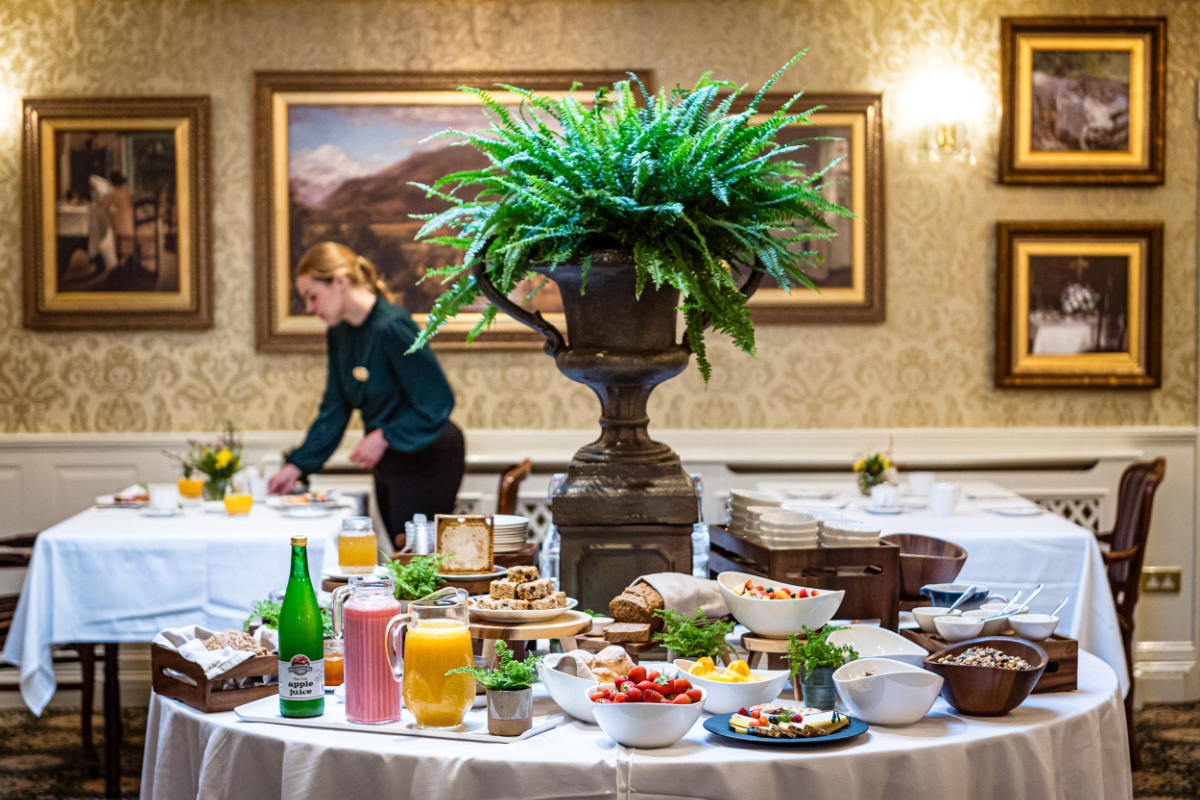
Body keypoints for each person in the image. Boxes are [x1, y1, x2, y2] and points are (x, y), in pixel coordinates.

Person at [267, 242, 464, 548]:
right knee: (402, 555)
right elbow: (335, 407)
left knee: (414, 558)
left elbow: (436, 401)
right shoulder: (340, 334)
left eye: (312, 296)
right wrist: (298, 465)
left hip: (427, 455)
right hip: (391, 459)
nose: (309, 308)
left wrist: (384, 435)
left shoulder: (391, 325)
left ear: (341, 281)